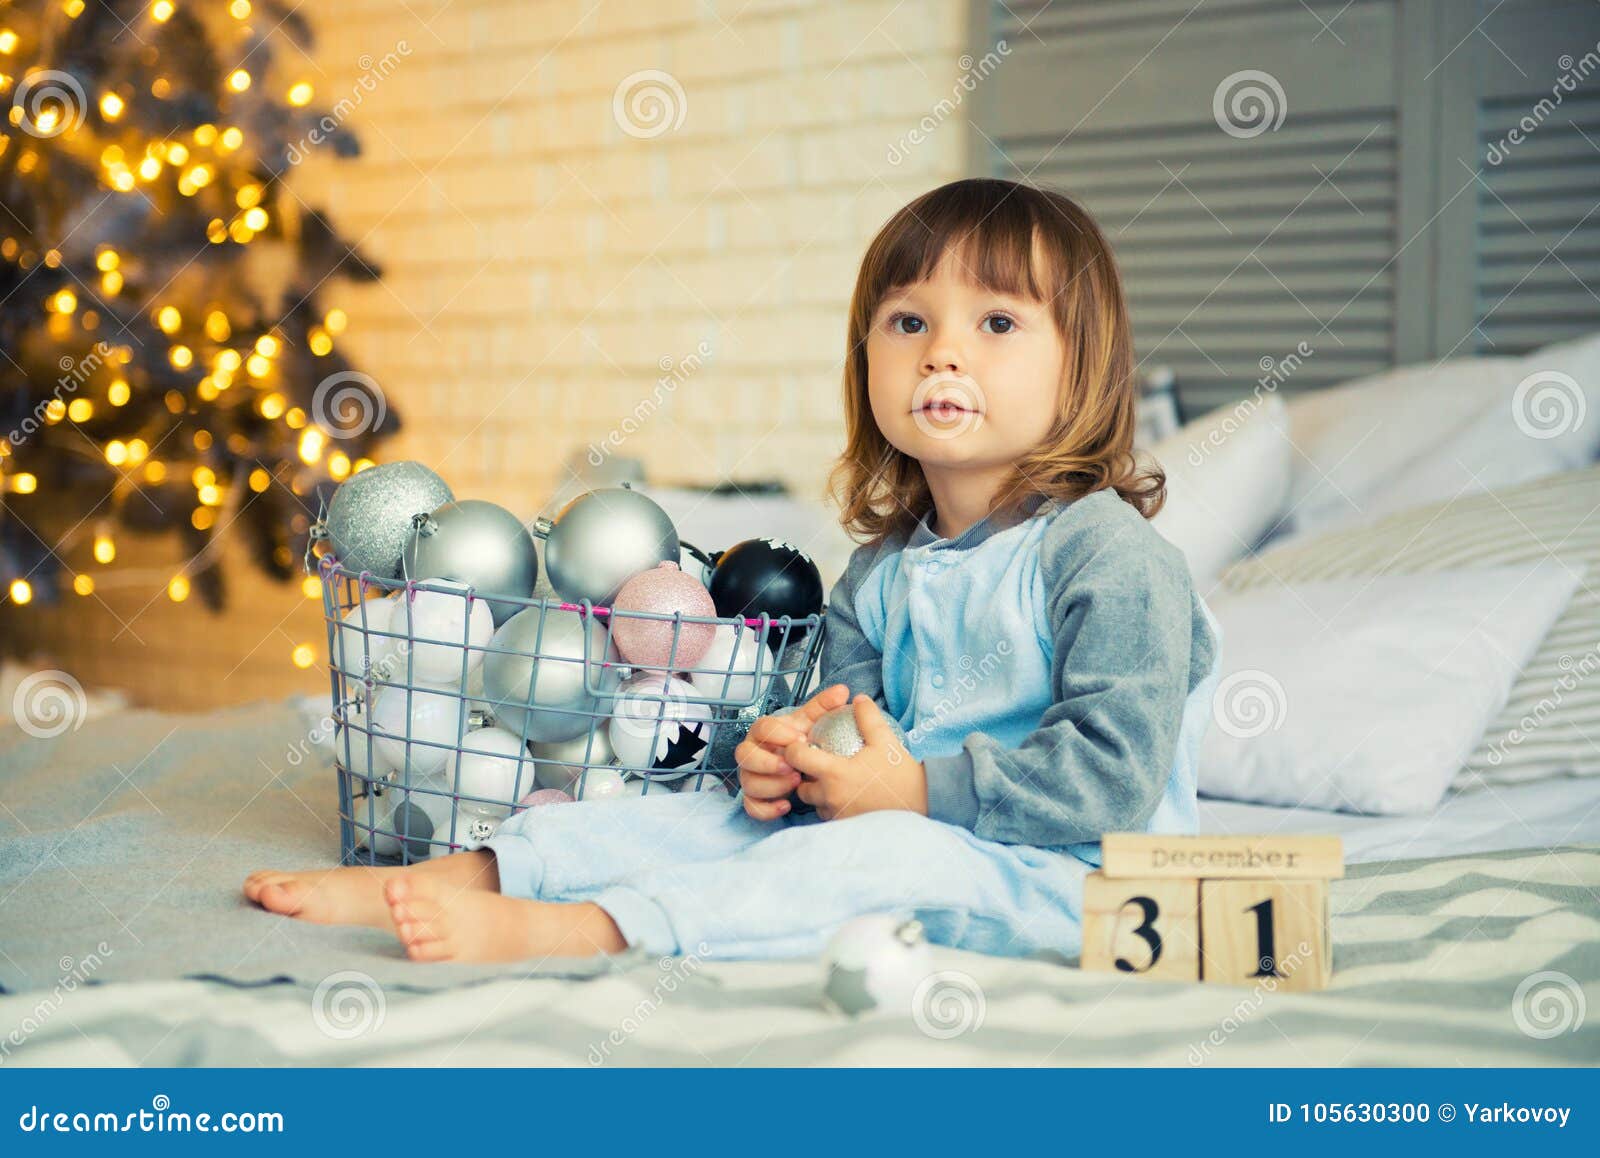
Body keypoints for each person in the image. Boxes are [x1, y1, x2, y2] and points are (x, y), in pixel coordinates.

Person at [243, 176, 1222, 964]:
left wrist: (912, 795)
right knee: (699, 818)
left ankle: (588, 931)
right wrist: (785, 762)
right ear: (866, 359)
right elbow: (842, 727)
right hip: (911, 821)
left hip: (1074, 872)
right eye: (909, 323)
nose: (943, 354)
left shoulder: (1108, 556)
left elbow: (1112, 775)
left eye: (997, 324)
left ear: (1081, 367)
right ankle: (475, 873)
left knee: (874, 858)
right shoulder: (884, 569)